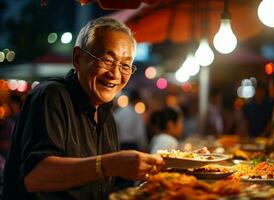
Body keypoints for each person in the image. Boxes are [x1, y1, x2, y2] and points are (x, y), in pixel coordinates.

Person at [2, 17, 164, 200]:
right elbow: (34, 177)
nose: (115, 74)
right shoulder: (51, 95)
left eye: (125, 65)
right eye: (107, 60)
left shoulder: (107, 115)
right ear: (77, 58)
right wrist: (109, 165)